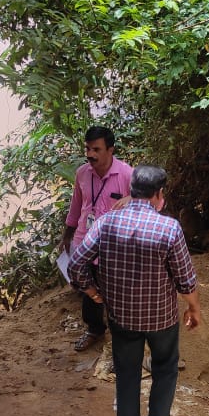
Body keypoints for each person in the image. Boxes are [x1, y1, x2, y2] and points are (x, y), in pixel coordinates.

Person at [67, 164, 202, 416]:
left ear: (131, 191)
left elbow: (76, 264)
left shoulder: (105, 223)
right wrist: (194, 308)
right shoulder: (169, 228)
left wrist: (92, 292)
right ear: (158, 195)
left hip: (122, 318)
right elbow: (185, 279)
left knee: (126, 378)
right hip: (162, 320)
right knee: (164, 372)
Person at [59, 126, 133, 352]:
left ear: (110, 150)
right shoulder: (83, 173)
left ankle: (121, 339)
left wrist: (132, 198)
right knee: (87, 289)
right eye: (88, 148)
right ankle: (94, 330)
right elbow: (76, 206)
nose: (90, 154)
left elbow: (154, 202)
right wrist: (67, 235)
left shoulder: (127, 174)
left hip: (113, 246)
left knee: (114, 292)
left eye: (96, 149)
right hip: (84, 242)